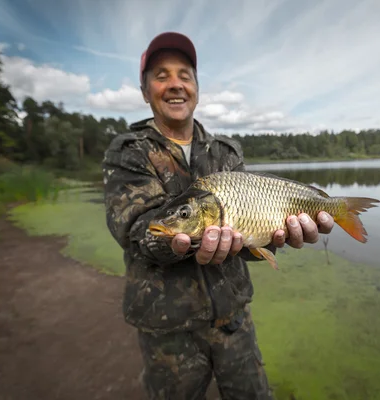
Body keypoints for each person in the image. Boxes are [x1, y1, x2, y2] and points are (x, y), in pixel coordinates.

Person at [101, 32, 334, 400]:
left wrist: (278, 238)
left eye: (185, 75)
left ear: (196, 87)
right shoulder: (129, 151)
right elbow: (135, 230)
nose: (175, 84)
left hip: (233, 317)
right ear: (145, 91)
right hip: (167, 327)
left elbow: (248, 231)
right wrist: (178, 240)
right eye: (161, 76)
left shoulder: (226, 151)